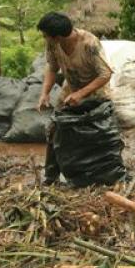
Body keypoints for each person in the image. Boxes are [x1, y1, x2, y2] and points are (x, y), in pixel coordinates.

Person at [36, 12, 114, 184]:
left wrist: (81, 94)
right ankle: (51, 175)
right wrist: (45, 93)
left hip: (96, 93)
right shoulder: (53, 45)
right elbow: (52, 67)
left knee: (94, 132)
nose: (44, 39)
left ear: (57, 36)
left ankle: (98, 173)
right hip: (70, 90)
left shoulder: (89, 44)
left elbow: (106, 74)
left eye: (45, 35)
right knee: (54, 128)